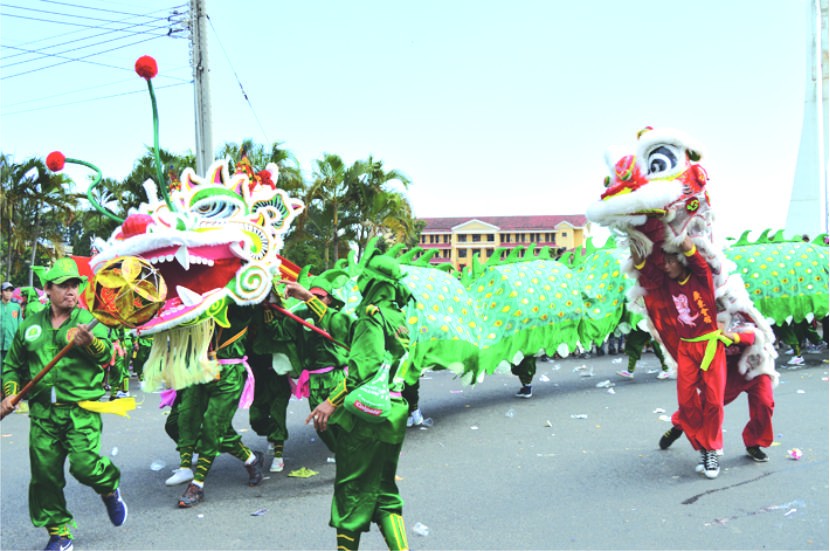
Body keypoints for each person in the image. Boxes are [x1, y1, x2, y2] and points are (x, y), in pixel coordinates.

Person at [0, 258, 127, 551]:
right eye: (64, 285)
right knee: (44, 476)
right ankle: (59, 533)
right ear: (48, 289)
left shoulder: (90, 321)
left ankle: (108, 488)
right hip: (43, 414)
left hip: (80, 410)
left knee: (85, 467)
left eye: (75, 285)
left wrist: (91, 342)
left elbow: (107, 354)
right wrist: (10, 392)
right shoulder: (30, 325)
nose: (71, 291)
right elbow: (11, 365)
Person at [306, 253, 414, 550]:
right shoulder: (397, 316)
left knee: (350, 493)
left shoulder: (371, 316)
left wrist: (330, 401)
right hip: (392, 412)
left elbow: (362, 368)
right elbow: (345, 327)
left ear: (373, 282)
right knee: (384, 493)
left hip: (366, 419)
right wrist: (309, 299)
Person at [632, 229, 727, 479]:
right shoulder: (666, 284)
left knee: (714, 401)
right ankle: (703, 445)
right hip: (686, 347)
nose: (667, 265)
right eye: (665, 261)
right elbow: (640, 265)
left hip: (710, 346)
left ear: (682, 261)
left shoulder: (700, 275)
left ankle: (711, 449)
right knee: (687, 403)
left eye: (671, 260)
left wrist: (672, 223)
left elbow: (686, 245)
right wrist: (633, 236)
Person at [173, 304, 265, 508]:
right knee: (185, 418)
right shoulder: (199, 303)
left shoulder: (241, 301)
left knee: (212, 426)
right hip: (200, 371)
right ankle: (250, 459)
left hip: (229, 374)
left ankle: (197, 485)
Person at [660, 310, 777, 463]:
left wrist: (730, 336)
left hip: (755, 367)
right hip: (727, 372)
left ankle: (754, 443)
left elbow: (755, 335)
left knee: (765, 404)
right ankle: (679, 426)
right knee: (707, 405)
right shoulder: (701, 312)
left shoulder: (739, 307)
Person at [1, 281, 21, 367]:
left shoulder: (16, 307)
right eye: (6, 290)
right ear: (1, 292)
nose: (9, 293)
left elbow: (20, 324)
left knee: (9, 367)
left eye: (11, 291)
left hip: (11, 343)